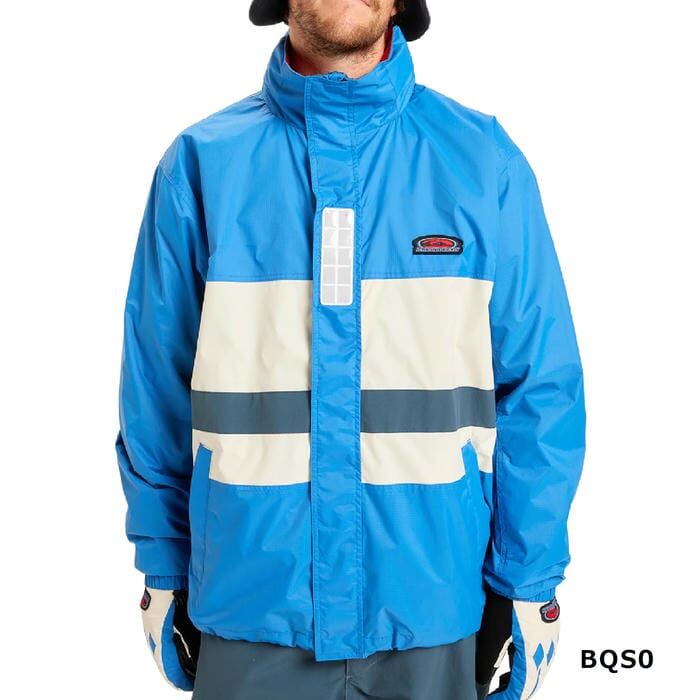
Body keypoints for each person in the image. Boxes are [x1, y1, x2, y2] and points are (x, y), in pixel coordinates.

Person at [116, 1, 586, 698]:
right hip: (251, 602)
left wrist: (529, 577)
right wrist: (162, 564)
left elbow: (540, 389)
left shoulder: (482, 163)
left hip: (431, 604)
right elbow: (155, 390)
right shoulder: (202, 166)